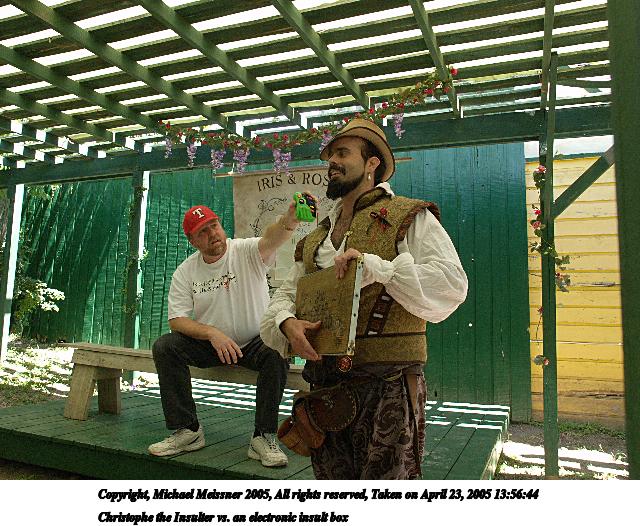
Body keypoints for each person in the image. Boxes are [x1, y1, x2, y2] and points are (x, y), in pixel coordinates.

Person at [260, 118, 468, 479]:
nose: (332, 162)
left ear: (372, 163)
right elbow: (287, 295)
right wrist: (285, 322)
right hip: (325, 391)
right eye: (330, 156)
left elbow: (452, 284)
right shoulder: (315, 238)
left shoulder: (407, 215)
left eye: (343, 153)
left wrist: (379, 269)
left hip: (388, 387)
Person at [148, 202, 302, 467]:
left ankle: (263, 436)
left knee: (277, 348)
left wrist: (289, 220)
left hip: (256, 341)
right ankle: (188, 430)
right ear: (192, 240)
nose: (213, 234)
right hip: (213, 346)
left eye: (214, 225)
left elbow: (272, 238)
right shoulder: (185, 271)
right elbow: (177, 320)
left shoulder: (245, 251)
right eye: (203, 231)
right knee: (165, 346)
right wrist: (211, 333)